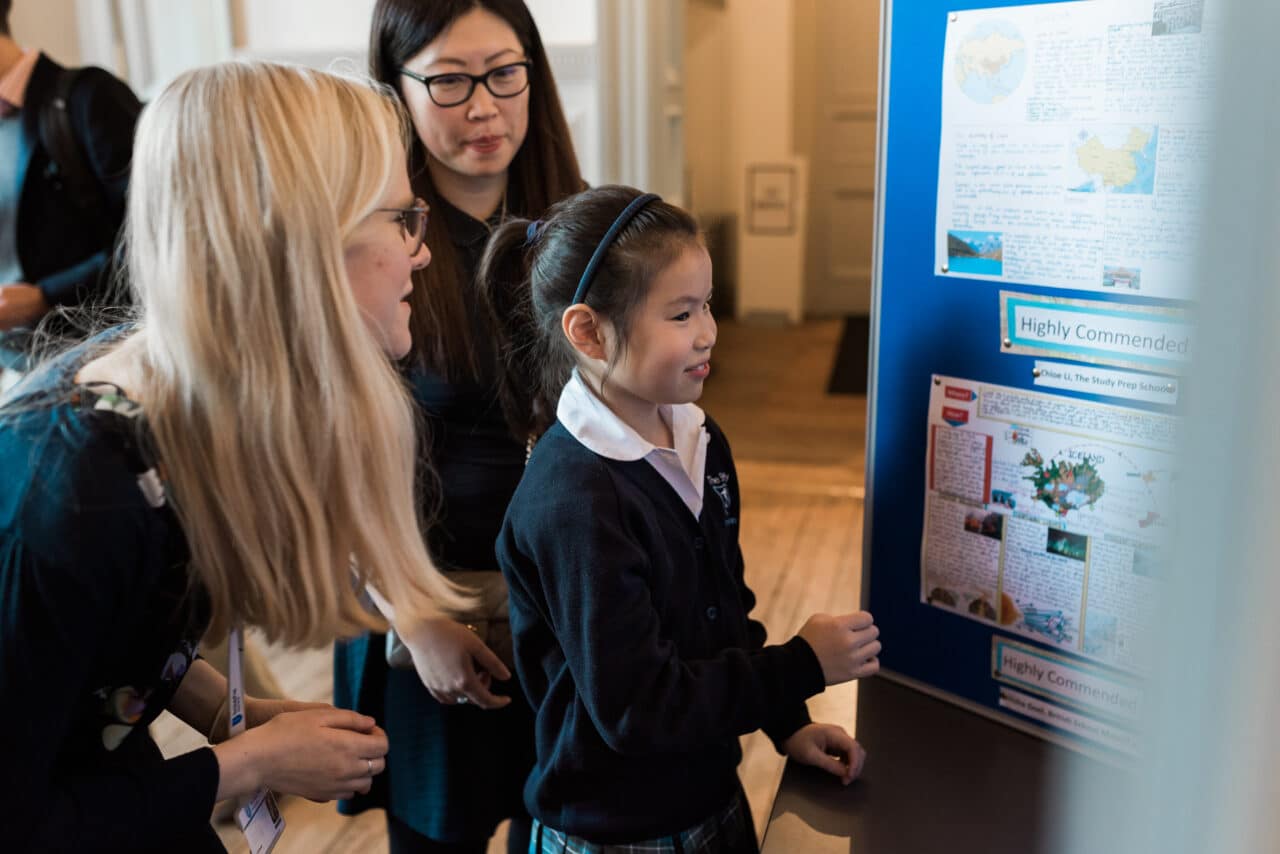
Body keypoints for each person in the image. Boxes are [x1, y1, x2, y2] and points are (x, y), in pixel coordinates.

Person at [0, 61, 471, 852]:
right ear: (303, 249)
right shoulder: (76, 496)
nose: (421, 252)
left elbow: (99, 643)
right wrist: (248, 761)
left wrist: (221, 709)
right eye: (402, 217)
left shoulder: (185, 418)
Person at [486, 186, 883, 852]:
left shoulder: (699, 439)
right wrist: (801, 666)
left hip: (709, 796)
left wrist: (786, 723)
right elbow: (638, 709)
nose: (708, 332)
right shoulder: (577, 501)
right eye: (679, 314)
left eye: (707, 304)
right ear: (587, 332)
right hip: (615, 832)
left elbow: (725, 612)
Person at [334, 2, 584, 852]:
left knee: (556, 822)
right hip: (430, 612)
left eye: (504, 72)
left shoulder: (582, 226)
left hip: (564, 608)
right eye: (448, 80)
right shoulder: (372, 242)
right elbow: (340, 459)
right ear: (396, 89)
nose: (484, 106)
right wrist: (414, 618)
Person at [0, 0, 140, 368]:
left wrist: (46, 296)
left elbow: (154, 238)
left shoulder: (87, 98)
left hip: (91, 363)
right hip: (16, 369)